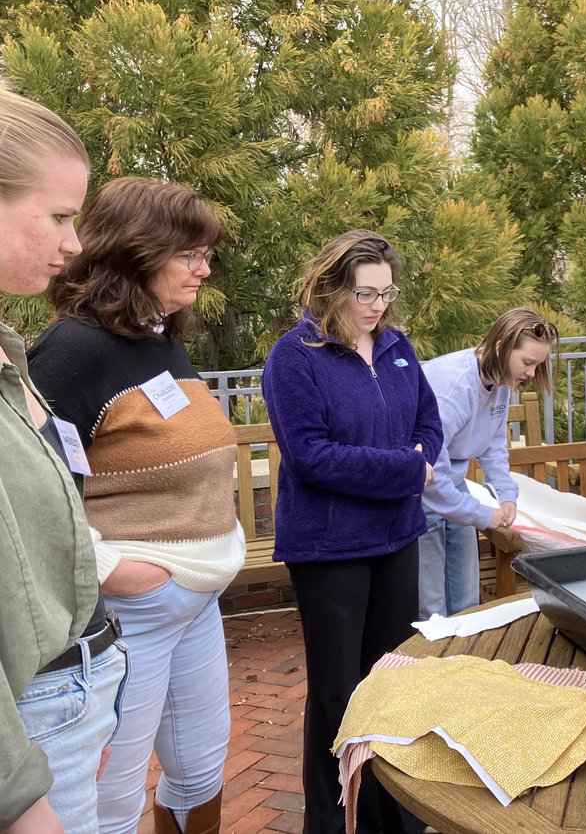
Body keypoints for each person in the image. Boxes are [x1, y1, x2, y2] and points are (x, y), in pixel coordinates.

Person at [29, 178, 246, 834]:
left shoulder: (161, 340)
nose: (204, 269)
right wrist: (111, 571)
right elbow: (34, 491)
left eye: (206, 254)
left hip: (196, 604)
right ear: (136, 252)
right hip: (134, 615)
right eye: (190, 255)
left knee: (201, 771)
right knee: (112, 800)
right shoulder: (72, 351)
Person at [263, 230, 442, 834]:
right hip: (329, 546)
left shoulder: (396, 345)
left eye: (386, 293)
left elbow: (428, 422)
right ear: (331, 287)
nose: (377, 306)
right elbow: (311, 456)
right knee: (339, 694)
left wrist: (421, 457)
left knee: (391, 685)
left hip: (397, 536)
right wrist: (406, 470)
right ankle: (337, 823)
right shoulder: (294, 356)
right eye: (364, 293)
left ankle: (398, 819)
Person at [0, 89, 127, 834]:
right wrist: (17, 793)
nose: (75, 243)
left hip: (72, 691)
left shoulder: (11, 354)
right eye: (57, 216)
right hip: (32, 715)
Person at [418, 307, 557, 619]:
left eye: (538, 365)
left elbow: (493, 444)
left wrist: (506, 494)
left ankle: (467, 647)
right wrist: (482, 515)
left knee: (466, 592)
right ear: (501, 347)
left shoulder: (501, 379)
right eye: (527, 362)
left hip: (454, 484)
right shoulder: (452, 389)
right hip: (423, 487)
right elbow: (432, 470)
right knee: (431, 602)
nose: (531, 373)